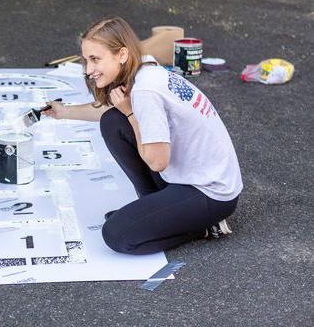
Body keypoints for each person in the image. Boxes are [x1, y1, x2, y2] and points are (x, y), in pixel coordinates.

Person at [44, 17, 242, 255]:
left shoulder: (146, 90)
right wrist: (64, 112)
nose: (89, 70)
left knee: (116, 235)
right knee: (113, 122)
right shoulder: (145, 67)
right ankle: (154, 207)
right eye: (86, 60)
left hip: (210, 192)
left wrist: (130, 113)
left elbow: (158, 162)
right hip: (191, 176)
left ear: (122, 55)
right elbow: (110, 109)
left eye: (96, 59)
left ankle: (204, 228)